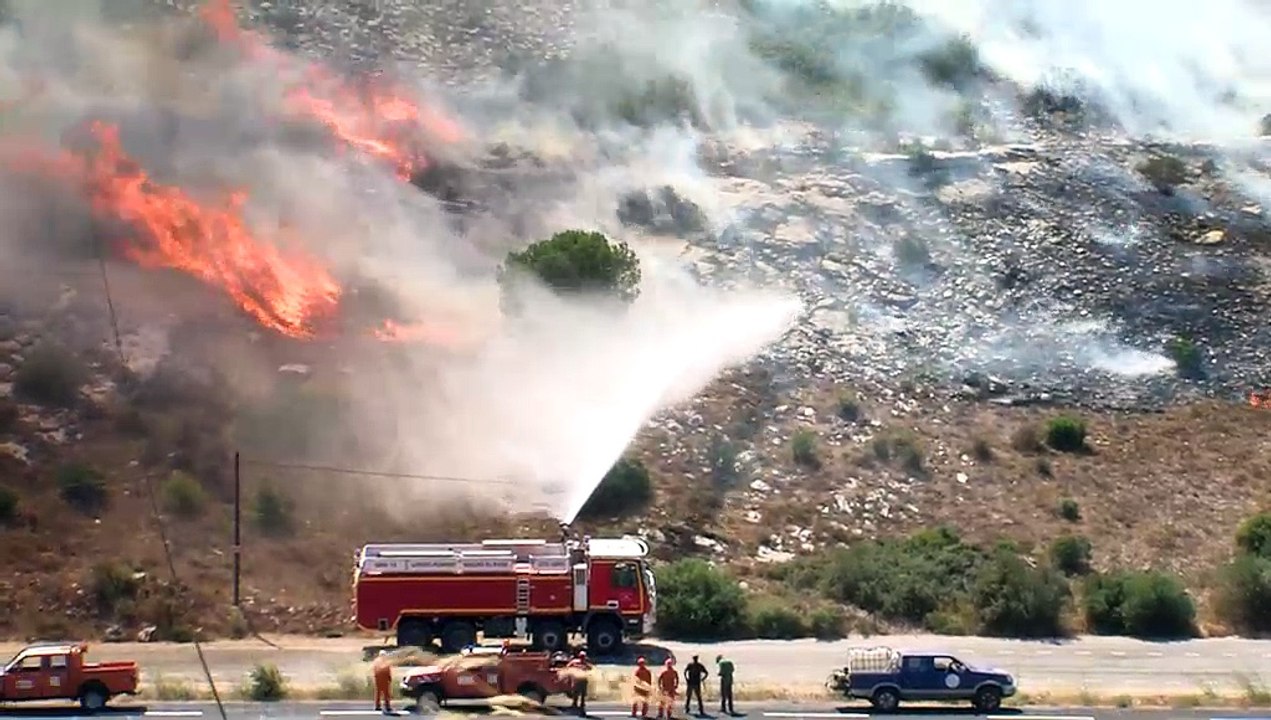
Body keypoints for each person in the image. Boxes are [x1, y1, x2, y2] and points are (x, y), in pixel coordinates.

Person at [567, 650, 592, 715]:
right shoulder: (574, 662)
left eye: (583, 657)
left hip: (583, 680)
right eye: (581, 657)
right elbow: (568, 667)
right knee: (575, 692)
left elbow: (590, 668)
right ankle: (575, 703)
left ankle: (581, 704)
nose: (582, 658)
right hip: (576, 679)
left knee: (583, 693)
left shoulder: (585, 663)